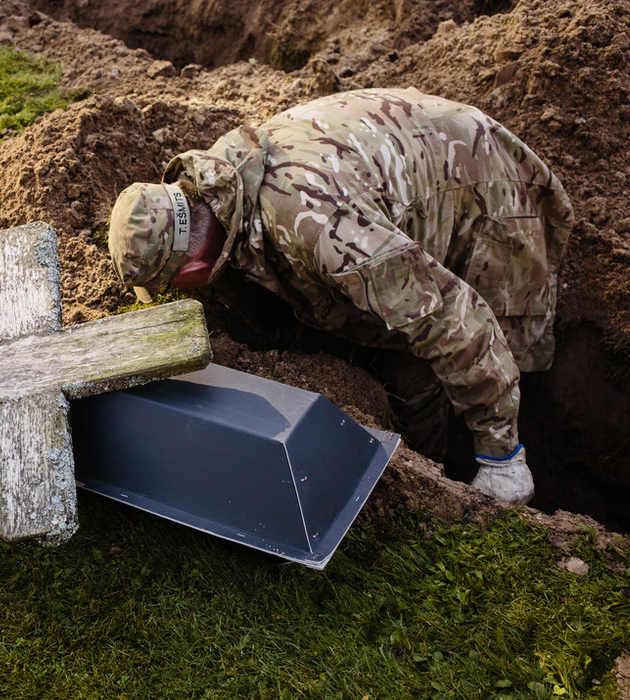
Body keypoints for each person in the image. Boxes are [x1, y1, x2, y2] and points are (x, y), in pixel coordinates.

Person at [108, 88, 572, 505]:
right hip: (392, 161)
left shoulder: (323, 232)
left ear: (191, 267)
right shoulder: (218, 183)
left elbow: (454, 318)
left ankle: (450, 471)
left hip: (475, 180)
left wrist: (501, 454)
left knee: (415, 365)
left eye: (169, 285)